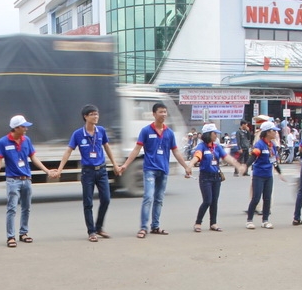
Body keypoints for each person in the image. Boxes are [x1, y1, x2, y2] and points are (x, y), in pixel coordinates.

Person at [121, 102, 193, 238]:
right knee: (148, 197)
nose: (164, 114)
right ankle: (143, 228)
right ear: (154, 114)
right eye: (161, 112)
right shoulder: (146, 131)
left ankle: (155, 226)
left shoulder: (169, 133)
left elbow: (176, 151)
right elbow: (136, 149)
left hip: (163, 170)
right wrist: (125, 164)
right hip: (149, 169)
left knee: (159, 199)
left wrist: (186, 166)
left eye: (165, 112)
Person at [0, 115, 59, 247]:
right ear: (16, 128)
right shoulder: (3, 142)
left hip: (26, 179)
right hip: (13, 181)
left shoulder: (26, 140)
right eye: (23, 126)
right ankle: (11, 237)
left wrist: (47, 171)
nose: (26, 128)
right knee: (12, 209)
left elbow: (34, 158)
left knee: (26, 208)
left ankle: (23, 233)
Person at [55, 104, 121, 241]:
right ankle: (91, 232)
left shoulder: (101, 131)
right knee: (88, 202)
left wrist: (115, 164)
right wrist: (60, 169)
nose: (96, 117)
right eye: (92, 114)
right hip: (88, 172)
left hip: (101, 170)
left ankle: (99, 227)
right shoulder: (78, 134)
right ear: (85, 117)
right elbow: (68, 151)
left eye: (97, 114)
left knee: (106, 199)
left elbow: (107, 147)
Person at [191, 122, 243, 232]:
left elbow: (226, 157)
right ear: (208, 134)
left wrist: (238, 165)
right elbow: (197, 156)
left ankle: (213, 223)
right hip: (205, 177)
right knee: (207, 200)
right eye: (214, 133)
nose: (216, 135)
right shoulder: (201, 147)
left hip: (216, 177)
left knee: (214, 201)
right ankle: (198, 222)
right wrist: (189, 166)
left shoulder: (217, 147)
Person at [246, 121, 284, 229]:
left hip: (268, 175)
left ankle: (265, 220)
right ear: (267, 132)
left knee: (267, 198)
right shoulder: (260, 144)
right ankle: (249, 220)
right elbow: (253, 156)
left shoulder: (272, 146)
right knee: (256, 198)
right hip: (258, 175)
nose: (276, 133)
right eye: (274, 131)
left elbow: (274, 161)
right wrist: (245, 166)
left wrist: (279, 172)